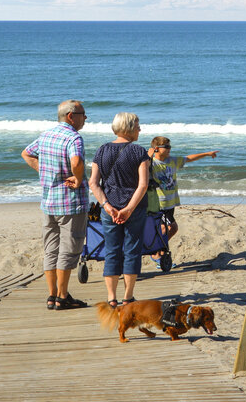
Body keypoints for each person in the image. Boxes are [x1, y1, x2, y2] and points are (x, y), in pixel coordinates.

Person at [21, 99, 90, 311]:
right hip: (70, 202)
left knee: (51, 249)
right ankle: (62, 297)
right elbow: (76, 162)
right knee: (69, 249)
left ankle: (52, 295)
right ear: (71, 116)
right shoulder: (73, 137)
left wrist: (44, 171)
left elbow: (26, 153)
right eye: (82, 114)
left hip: (48, 202)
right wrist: (77, 179)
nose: (85, 118)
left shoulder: (46, 135)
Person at [89, 112, 149, 307]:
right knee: (132, 250)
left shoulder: (102, 150)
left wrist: (107, 206)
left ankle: (111, 297)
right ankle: (128, 297)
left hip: (110, 209)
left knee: (112, 251)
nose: (140, 129)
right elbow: (143, 185)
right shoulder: (139, 152)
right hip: (135, 208)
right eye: (137, 125)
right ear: (129, 128)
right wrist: (129, 209)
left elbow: (93, 183)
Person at [144, 136, 219, 265]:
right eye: (166, 147)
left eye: (170, 146)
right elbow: (140, 169)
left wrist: (207, 154)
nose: (169, 149)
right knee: (172, 227)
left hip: (170, 202)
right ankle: (156, 252)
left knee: (166, 229)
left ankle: (159, 253)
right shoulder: (151, 162)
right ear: (156, 148)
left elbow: (189, 158)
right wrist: (148, 157)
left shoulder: (172, 161)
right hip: (158, 203)